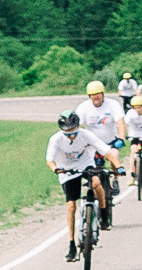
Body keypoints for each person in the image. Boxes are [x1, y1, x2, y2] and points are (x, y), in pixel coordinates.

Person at [47, 110, 113, 260]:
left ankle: (103, 213)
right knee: (71, 205)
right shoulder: (56, 139)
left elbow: (105, 151)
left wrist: (118, 166)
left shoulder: (86, 135)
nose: (71, 135)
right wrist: (55, 169)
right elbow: (49, 159)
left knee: (96, 183)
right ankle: (71, 244)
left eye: (73, 131)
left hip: (85, 165)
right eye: (67, 133)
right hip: (67, 170)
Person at [75, 81, 125, 226]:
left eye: (98, 94)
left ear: (102, 94)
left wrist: (121, 138)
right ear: (89, 96)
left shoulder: (113, 105)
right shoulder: (83, 107)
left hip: (110, 142)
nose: (95, 97)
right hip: (92, 144)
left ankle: (115, 179)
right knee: (93, 169)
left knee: (114, 156)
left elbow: (120, 123)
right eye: (92, 95)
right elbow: (76, 126)